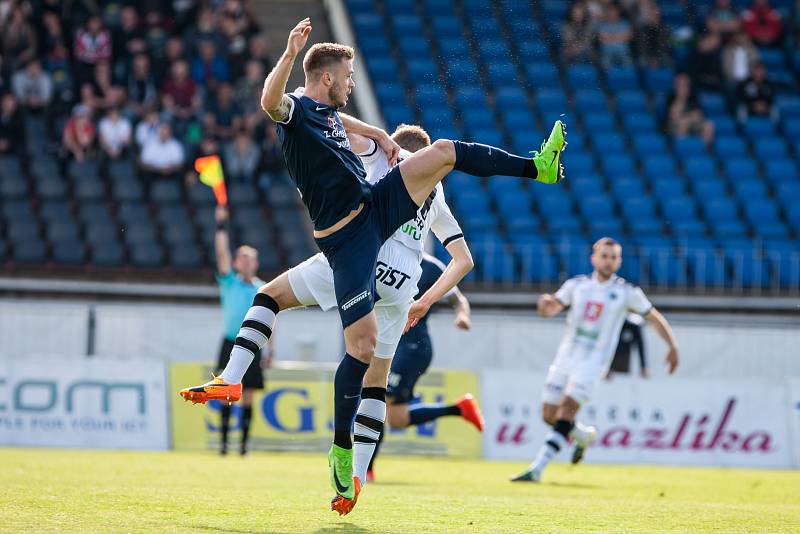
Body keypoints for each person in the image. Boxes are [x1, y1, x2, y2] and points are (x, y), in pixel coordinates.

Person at [179, 18, 566, 509]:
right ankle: (340, 452)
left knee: (445, 150)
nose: (352, 83)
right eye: (348, 76)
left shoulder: (335, 120)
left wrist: (381, 134)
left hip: (374, 211)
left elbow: (348, 124)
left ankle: (538, 167)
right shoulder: (296, 110)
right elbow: (269, 102)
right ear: (325, 78)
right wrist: (291, 53)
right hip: (349, 243)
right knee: (352, 347)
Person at [511, 237, 679, 483]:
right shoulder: (576, 286)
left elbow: (653, 317)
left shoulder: (626, 292)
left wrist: (672, 345)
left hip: (593, 363)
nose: (608, 261)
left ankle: (537, 469)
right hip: (565, 358)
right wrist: (544, 306)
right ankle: (584, 436)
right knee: (549, 414)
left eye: (613, 257)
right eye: (604, 256)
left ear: (619, 262)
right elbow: (550, 310)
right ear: (594, 258)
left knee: (567, 408)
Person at [366, 253, 479, 483]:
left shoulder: (431, 267)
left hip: (412, 348)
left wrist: (462, 316)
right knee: (396, 417)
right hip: (391, 345)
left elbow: (458, 299)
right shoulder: (382, 258)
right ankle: (460, 409)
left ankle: (366, 470)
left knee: (378, 400)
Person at [212, 204, 268, 456]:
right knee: (225, 392)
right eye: (242, 258)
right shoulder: (229, 281)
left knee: (248, 396)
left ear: (255, 264)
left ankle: (243, 446)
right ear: (236, 262)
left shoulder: (263, 288)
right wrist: (221, 225)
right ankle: (224, 445)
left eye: (250, 258)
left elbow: (270, 320)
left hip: (255, 346)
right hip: (230, 342)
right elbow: (221, 253)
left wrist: (270, 350)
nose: (246, 262)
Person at [666, 73, 715, 145]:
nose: (684, 87)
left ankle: (704, 150)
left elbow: (699, 115)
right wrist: (681, 98)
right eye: (680, 85)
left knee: (709, 125)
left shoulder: (693, 96)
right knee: (683, 123)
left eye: (686, 85)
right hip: (673, 125)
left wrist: (687, 118)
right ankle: (683, 149)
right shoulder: (671, 97)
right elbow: (674, 117)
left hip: (691, 123)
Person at [607, 313, 648, 378]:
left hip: (625, 365)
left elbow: (640, 347)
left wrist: (644, 366)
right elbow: (610, 345)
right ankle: (610, 367)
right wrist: (607, 367)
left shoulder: (635, 324)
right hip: (614, 362)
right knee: (615, 343)